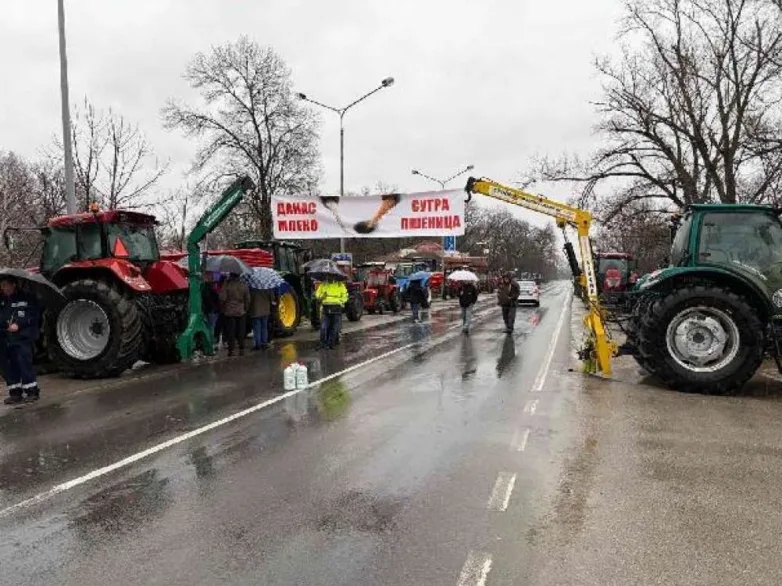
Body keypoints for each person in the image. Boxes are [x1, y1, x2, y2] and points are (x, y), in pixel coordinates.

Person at [0, 277, 41, 404]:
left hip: (22, 337)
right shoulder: (2, 301)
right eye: (2, 286)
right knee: (9, 366)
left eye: (6, 285)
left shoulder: (26, 298)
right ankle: (15, 392)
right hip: (6, 338)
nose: (4, 288)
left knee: (24, 363)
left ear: (13, 285)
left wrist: (19, 324)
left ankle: (31, 391)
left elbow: (32, 315)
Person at [219, 272, 250, 356]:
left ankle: (231, 350)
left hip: (229, 311)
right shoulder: (244, 284)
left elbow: (222, 298)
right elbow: (247, 299)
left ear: (231, 276)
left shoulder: (227, 285)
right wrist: (246, 309)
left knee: (231, 331)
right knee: (241, 331)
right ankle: (241, 349)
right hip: (241, 311)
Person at [315, 274, 348, 349]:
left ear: (335, 276)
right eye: (328, 275)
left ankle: (330, 343)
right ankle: (322, 343)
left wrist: (340, 302)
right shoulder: (323, 284)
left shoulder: (340, 285)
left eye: (331, 276)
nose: (329, 277)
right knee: (323, 327)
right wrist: (321, 296)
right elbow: (317, 294)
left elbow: (345, 296)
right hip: (325, 308)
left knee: (334, 327)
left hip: (336, 308)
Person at [201, 273, 220, 349]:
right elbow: (212, 298)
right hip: (212, 310)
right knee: (211, 327)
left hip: (207, 309)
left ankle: (209, 342)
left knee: (209, 326)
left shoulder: (203, 287)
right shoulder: (210, 288)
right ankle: (210, 343)